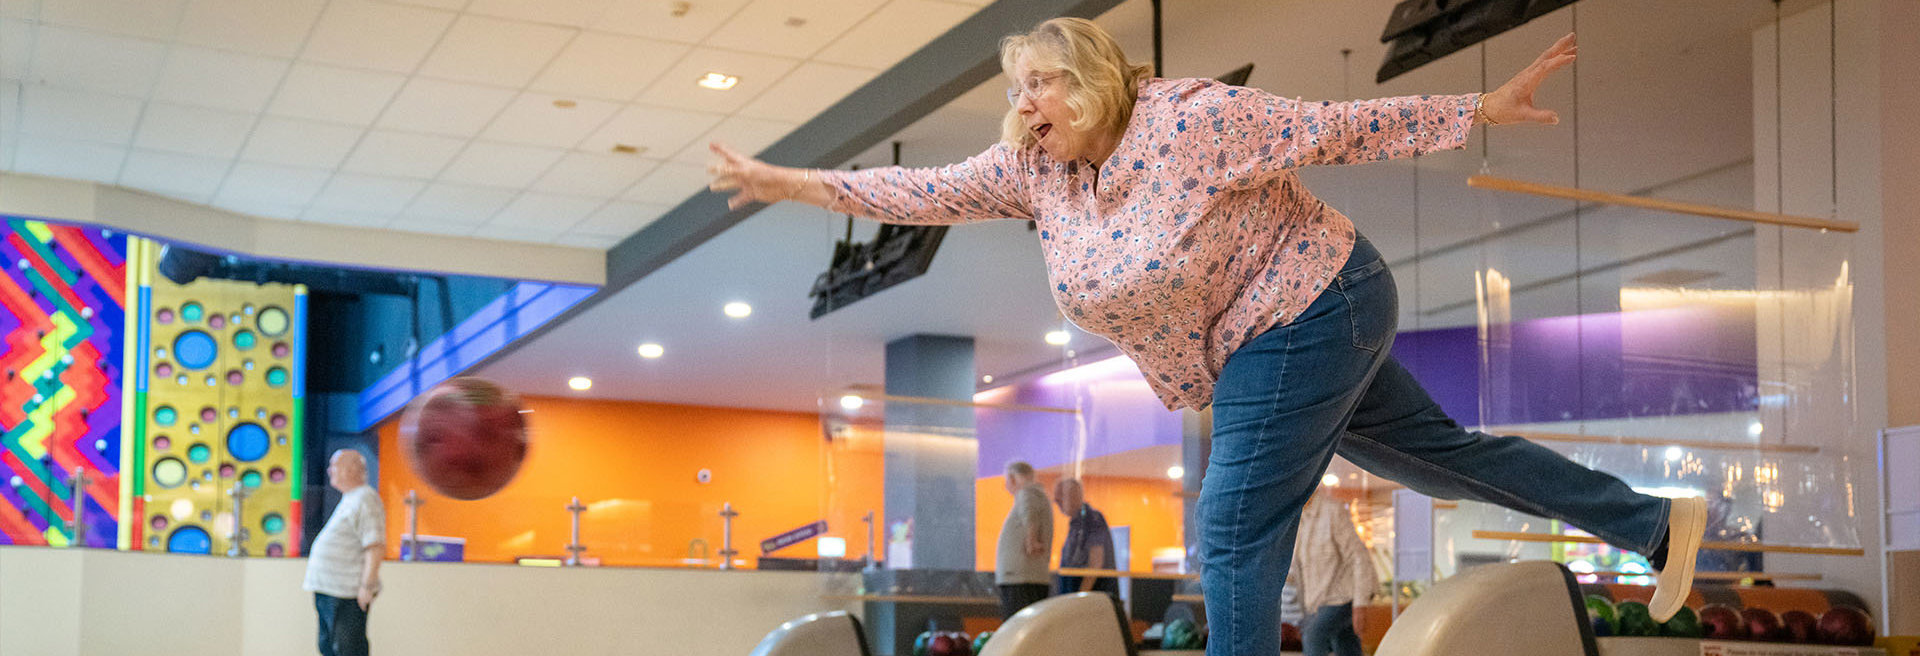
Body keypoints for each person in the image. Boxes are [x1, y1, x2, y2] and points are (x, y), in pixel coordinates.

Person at [707, 18, 1705, 655]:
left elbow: (1333, 127)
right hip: (1262, 336)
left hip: (1317, 300)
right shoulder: (1035, 172)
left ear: (1095, 80)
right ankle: (1654, 524)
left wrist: (1480, 106)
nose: (1025, 105)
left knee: (1230, 520)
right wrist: (790, 183)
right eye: (1016, 89)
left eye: (1043, 84)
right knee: (1440, 461)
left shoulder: (1192, 120)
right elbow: (916, 191)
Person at [304, 449, 386, 656]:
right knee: (329, 646)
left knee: (348, 649)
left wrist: (367, 585)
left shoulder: (365, 498)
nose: (329, 470)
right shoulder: (351, 498)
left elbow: (375, 546)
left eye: (335, 465)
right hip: (330, 590)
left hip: (346, 594)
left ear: (351, 469)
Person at [1288, 489, 1377, 656]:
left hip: (1345, 596)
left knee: (1313, 637)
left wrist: (1360, 605)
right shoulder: (1299, 520)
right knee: (1346, 646)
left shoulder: (1332, 511)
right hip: (1320, 601)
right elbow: (1299, 571)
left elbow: (1358, 556)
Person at [995, 461, 1054, 619]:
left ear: (1012, 477)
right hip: (1029, 575)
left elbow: (1029, 513)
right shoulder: (1039, 496)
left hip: (1020, 576)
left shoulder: (1027, 493)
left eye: (1006, 480)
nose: (1006, 485)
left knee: (1018, 626)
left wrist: (1031, 540)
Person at [1053, 478, 1119, 596]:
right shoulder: (1076, 523)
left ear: (1072, 496)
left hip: (1090, 600)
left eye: (1059, 500)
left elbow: (1096, 563)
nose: (1058, 504)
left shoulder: (1092, 519)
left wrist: (1080, 596)